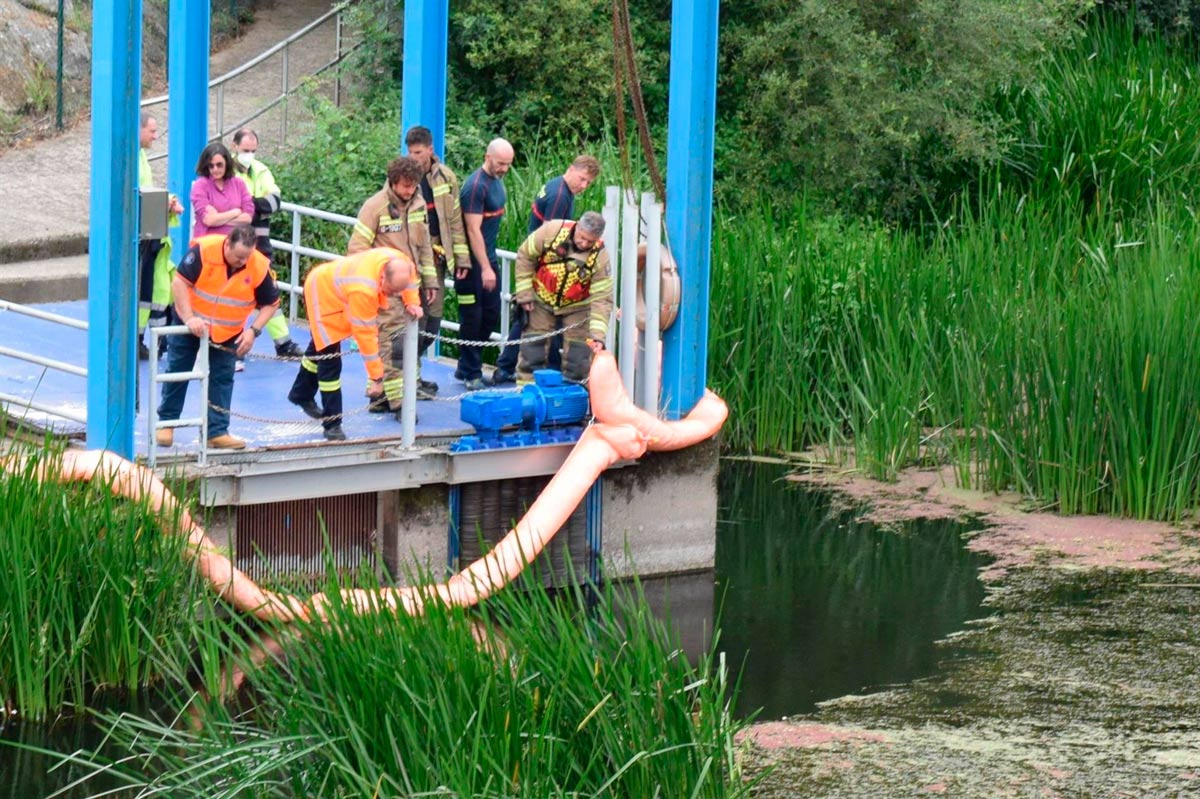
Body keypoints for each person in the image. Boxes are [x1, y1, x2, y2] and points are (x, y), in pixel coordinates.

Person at [155, 225, 279, 450]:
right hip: (190, 323)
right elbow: (180, 282)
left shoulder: (258, 265)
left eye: (247, 257)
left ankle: (217, 432)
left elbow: (271, 303)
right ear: (227, 244)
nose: (242, 261)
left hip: (228, 332)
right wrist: (190, 318)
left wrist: (253, 331)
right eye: (238, 256)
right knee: (178, 371)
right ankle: (167, 423)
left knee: (222, 379)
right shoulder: (204, 251)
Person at [287, 249, 423, 442]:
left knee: (319, 347)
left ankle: (300, 393)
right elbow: (366, 336)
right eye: (392, 291)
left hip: (337, 287)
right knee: (329, 358)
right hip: (323, 294)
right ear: (382, 277)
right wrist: (376, 377)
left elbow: (409, 283)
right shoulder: (364, 290)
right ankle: (332, 424)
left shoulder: (402, 263)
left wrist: (412, 302)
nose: (394, 296)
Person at [495, 154, 601, 382]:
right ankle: (526, 370)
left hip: (538, 265)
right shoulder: (561, 197)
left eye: (588, 183)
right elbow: (553, 240)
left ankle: (505, 366)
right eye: (582, 179)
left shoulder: (555, 187)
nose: (583, 186)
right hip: (545, 271)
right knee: (537, 323)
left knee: (526, 320)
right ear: (571, 169)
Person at [347, 156, 437, 415]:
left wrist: (430, 281)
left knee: (407, 342)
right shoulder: (375, 207)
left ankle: (380, 396)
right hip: (386, 290)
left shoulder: (419, 203)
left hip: (413, 288)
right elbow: (357, 249)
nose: (409, 191)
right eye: (404, 186)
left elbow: (424, 247)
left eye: (413, 185)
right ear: (393, 182)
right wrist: (373, 285)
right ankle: (399, 404)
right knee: (393, 345)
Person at [404, 125, 472, 396]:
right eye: (410, 152)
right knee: (414, 319)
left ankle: (414, 373)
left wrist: (462, 259)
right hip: (411, 262)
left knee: (433, 320)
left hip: (437, 258)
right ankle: (408, 380)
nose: (413, 157)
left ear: (430, 150)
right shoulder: (403, 177)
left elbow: (454, 221)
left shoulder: (446, 178)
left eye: (418, 152)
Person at [513, 212, 612, 384]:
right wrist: (524, 295)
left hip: (578, 307)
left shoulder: (600, 257)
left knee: (578, 357)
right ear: (577, 227)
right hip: (541, 299)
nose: (584, 244)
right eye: (582, 238)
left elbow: (602, 299)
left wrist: (598, 336)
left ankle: (574, 399)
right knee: (532, 349)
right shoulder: (552, 231)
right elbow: (525, 256)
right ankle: (526, 392)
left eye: (590, 241)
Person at [231, 128, 304, 360]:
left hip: (260, 244)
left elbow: (274, 202)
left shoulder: (262, 170)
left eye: (253, 150)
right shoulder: (226, 171)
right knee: (234, 292)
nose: (249, 154)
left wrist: (247, 206)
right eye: (245, 150)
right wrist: (255, 206)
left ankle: (283, 344)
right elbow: (231, 205)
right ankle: (232, 342)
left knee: (269, 291)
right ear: (235, 147)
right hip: (234, 243)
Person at [456, 138, 513, 391]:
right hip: (471, 265)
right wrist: (485, 268)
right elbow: (473, 229)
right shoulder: (475, 186)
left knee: (490, 315)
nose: (503, 169)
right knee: (472, 317)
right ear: (487, 157)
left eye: (508, 165)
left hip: (488, 257)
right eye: (500, 163)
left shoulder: (497, 183)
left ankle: (466, 364)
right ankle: (470, 372)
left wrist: (490, 263)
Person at [136, 111, 183, 360]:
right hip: (142, 236)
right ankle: (138, 339)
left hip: (150, 236)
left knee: (152, 293)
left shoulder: (141, 155)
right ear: (139, 129)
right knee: (144, 292)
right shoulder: (132, 156)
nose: (155, 136)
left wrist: (168, 202)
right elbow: (138, 194)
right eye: (152, 131)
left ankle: (143, 339)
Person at [189, 141, 253, 239]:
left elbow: (247, 218)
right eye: (211, 166)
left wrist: (218, 218)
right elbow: (209, 220)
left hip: (234, 247)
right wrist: (235, 212)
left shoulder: (239, 184)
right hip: (208, 245)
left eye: (219, 165)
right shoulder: (200, 186)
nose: (215, 169)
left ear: (226, 163)